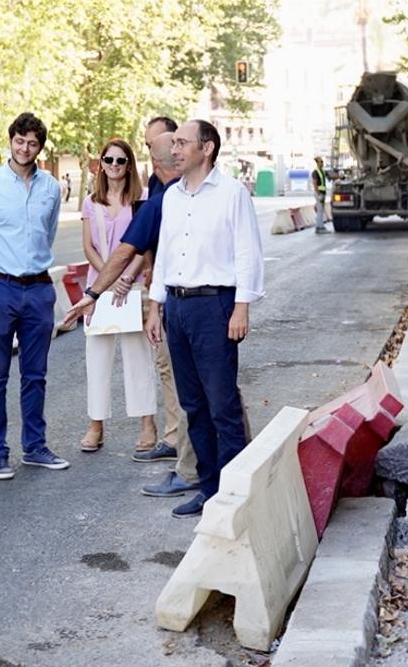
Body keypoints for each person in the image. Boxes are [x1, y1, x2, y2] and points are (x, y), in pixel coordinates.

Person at [145, 120, 264, 518]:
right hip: (177, 308)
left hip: (215, 307)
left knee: (222, 405)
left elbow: (248, 251)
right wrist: (154, 304)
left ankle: (234, 496)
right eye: (173, 143)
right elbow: (164, 254)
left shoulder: (231, 194)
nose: (174, 150)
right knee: (192, 405)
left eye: (182, 143)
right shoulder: (172, 197)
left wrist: (241, 306)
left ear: (207, 148)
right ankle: (209, 489)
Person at [0, 112, 68, 479]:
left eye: (32, 143)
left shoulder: (52, 188)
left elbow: (48, 233)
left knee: (35, 374)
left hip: (39, 289)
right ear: (10, 141)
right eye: (19, 141)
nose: (25, 148)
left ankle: (35, 447)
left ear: (40, 147)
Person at [78, 138, 157, 454]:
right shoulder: (90, 202)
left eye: (120, 161)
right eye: (108, 160)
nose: (113, 166)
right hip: (99, 290)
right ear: (101, 164)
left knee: (139, 358)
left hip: (132, 287)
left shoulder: (142, 199)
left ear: (129, 165)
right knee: (97, 358)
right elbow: (88, 247)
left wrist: (125, 277)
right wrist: (107, 280)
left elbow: (145, 243)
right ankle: (96, 424)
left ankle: (147, 423)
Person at [143, 116, 178, 199]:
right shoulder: (154, 180)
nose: (152, 152)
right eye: (149, 146)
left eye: (156, 144)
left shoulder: (193, 177)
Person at [311, 155, 331, 234]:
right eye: (321, 161)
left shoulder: (322, 171)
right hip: (319, 193)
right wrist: (319, 195)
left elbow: (330, 177)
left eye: (322, 161)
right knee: (319, 211)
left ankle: (318, 226)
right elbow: (315, 184)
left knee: (321, 210)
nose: (322, 163)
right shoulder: (315, 172)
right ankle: (320, 227)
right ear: (317, 163)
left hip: (322, 193)